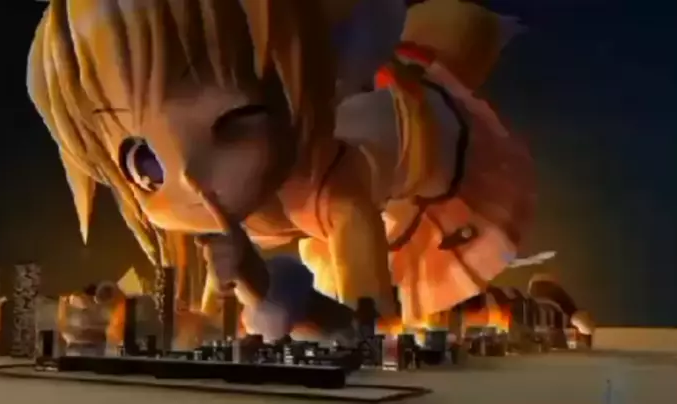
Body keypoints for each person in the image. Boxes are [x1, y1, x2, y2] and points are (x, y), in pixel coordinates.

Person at [28, 0, 535, 342]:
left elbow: (368, 330)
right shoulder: (216, 219)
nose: (191, 181)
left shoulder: (335, 182)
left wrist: (285, 302)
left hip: (431, 162)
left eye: (233, 122)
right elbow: (226, 303)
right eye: (145, 161)